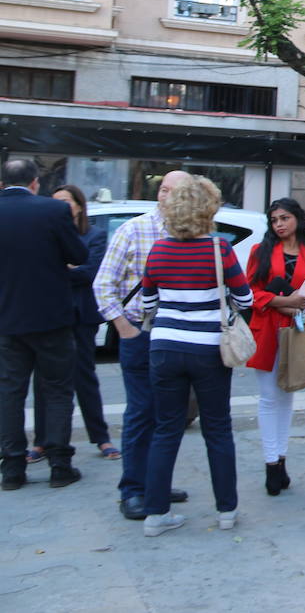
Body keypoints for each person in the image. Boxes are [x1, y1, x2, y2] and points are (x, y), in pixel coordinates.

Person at [139, 176, 252, 536]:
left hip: (165, 347)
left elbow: (147, 303)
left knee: (165, 429)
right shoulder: (219, 250)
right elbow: (245, 299)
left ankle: (155, 513)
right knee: (217, 428)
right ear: (208, 210)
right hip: (208, 350)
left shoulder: (158, 251)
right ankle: (226, 510)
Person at [94, 170, 195, 519]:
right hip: (142, 332)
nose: (166, 196)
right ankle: (133, 491)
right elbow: (103, 286)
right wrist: (124, 328)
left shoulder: (191, 234)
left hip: (179, 334)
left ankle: (156, 484)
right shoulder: (133, 230)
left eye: (174, 191)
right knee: (141, 412)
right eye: (163, 189)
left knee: (169, 416)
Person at [0, 158, 89, 490]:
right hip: (52, 317)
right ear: (35, 182)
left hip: (7, 318)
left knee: (10, 393)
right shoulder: (52, 211)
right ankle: (59, 464)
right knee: (57, 391)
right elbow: (79, 255)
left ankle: (12, 468)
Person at [245, 197, 305, 496]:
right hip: (266, 332)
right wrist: (284, 302)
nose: (279, 224)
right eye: (274, 220)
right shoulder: (260, 252)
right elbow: (249, 293)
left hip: (295, 333)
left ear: (297, 219)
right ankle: (270, 464)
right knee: (268, 398)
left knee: (287, 395)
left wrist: (299, 310)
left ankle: (280, 459)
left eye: (284, 218)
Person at [31, 185, 116, 463]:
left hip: (81, 316)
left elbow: (90, 272)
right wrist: (66, 270)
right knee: (45, 380)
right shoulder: (45, 235)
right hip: (50, 316)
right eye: (55, 201)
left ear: (79, 205)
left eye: (65, 201)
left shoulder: (95, 235)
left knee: (84, 377)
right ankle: (43, 441)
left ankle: (101, 438)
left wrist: (59, 271)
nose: (60, 206)